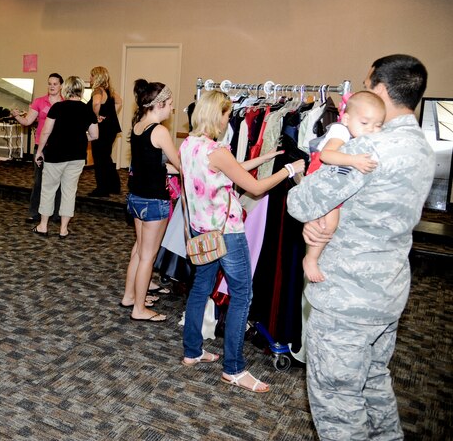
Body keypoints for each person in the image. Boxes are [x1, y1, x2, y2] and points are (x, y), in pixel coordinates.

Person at [288, 54, 433, 440]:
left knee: (338, 404)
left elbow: (301, 203)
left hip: (347, 299)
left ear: (381, 90)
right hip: (389, 290)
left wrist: (306, 182)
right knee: (373, 383)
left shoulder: (370, 148)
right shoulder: (421, 147)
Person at [179, 89, 304, 393]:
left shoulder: (189, 144)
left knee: (201, 288)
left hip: (202, 230)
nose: (227, 120)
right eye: (225, 113)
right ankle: (234, 369)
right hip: (227, 233)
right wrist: (289, 169)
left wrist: (266, 157)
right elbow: (256, 187)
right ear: (216, 115)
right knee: (242, 295)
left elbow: (226, 169)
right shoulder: (217, 151)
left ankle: (192, 351)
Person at [302, 90, 385, 283]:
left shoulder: (362, 137)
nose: (370, 129)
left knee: (328, 223)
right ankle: (310, 259)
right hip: (322, 178)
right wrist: (353, 160)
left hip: (335, 180)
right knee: (327, 224)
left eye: (378, 125)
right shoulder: (340, 130)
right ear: (346, 119)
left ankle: (314, 257)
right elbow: (326, 155)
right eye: (364, 123)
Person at [120, 80, 180, 323]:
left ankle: (130, 296)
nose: (172, 109)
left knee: (138, 250)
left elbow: (150, 163)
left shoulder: (138, 126)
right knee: (148, 256)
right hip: (154, 200)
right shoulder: (160, 130)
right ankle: (139, 309)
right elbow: (179, 164)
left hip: (136, 197)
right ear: (159, 104)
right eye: (170, 104)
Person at [33, 76, 98, 238]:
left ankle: (43, 226)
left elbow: (46, 132)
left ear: (65, 89)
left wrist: (39, 151)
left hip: (55, 155)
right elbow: (95, 135)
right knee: (69, 192)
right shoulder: (87, 109)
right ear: (80, 90)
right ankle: (63, 229)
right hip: (77, 157)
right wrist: (81, 138)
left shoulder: (57, 107)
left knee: (48, 190)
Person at [11, 73, 63, 222]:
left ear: (60, 86)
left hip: (59, 148)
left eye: (55, 84)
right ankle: (35, 212)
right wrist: (17, 116)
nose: (52, 86)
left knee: (58, 182)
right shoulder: (40, 101)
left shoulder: (64, 103)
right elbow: (27, 121)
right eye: (49, 83)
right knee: (39, 181)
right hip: (41, 146)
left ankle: (56, 214)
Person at [88, 66, 122, 197]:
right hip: (111, 128)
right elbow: (119, 102)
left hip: (102, 130)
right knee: (106, 157)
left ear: (96, 77)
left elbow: (96, 104)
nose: (90, 78)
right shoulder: (108, 90)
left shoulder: (97, 90)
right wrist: (110, 114)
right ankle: (114, 186)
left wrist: (95, 117)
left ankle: (102, 189)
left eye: (91, 76)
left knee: (100, 158)